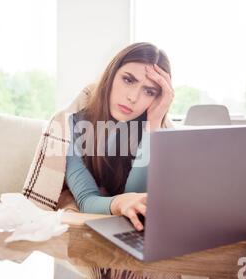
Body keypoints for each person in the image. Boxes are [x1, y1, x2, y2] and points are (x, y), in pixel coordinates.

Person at [65, 42, 174, 231]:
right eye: (128, 80)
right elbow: (86, 200)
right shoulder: (71, 124)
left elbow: (138, 199)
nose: (133, 97)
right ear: (112, 74)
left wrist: (154, 124)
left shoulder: (152, 128)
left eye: (149, 91)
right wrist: (119, 203)